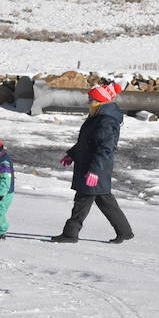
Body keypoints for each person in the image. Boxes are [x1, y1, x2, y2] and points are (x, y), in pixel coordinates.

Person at [51, 78, 134, 244]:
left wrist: (95, 171)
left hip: (94, 169)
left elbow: (105, 149)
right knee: (106, 202)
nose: (88, 102)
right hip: (92, 168)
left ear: (100, 101)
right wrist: (72, 154)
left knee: (81, 202)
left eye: (91, 99)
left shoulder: (105, 120)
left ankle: (70, 234)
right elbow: (87, 142)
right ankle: (124, 231)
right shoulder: (98, 116)